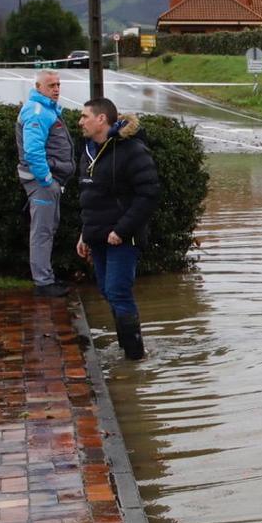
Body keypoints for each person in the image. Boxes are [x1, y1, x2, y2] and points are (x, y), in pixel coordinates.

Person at [75, 98, 160, 360]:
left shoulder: (132, 150)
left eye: (85, 116)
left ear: (101, 119)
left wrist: (121, 230)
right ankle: (126, 349)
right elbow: (90, 196)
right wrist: (84, 233)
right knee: (106, 290)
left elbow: (149, 194)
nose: (80, 121)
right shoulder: (89, 150)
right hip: (97, 235)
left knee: (117, 290)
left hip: (123, 237)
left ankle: (135, 357)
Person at [17, 70, 73, 297]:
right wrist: (47, 179)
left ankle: (46, 277)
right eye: (51, 85)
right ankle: (43, 283)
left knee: (47, 229)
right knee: (42, 231)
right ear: (39, 87)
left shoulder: (47, 109)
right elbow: (33, 151)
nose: (57, 89)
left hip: (49, 182)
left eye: (58, 84)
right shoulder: (38, 111)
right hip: (42, 183)